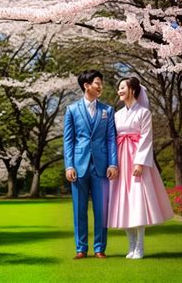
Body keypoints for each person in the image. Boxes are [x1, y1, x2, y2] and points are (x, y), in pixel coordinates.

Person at [108, 77, 174, 259]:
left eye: (122, 87)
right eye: (118, 88)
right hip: (120, 160)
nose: (119, 91)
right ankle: (130, 245)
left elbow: (146, 138)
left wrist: (139, 162)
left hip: (136, 160)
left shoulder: (144, 113)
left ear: (132, 90)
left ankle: (140, 246)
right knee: (122, 202)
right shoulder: (117, 114)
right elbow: (112, 139)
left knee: (137, 201)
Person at [64, 70, 118, 259]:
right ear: (86, 86)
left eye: (101, 83)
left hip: (102, 166)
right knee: (79, 209)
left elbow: (112, 138)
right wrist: (69, 166)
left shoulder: (108, 110)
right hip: (78, 167)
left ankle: (99, 248)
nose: (100, 86)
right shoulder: (71, 110)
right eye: (97, 83)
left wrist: (113, 164)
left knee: (101, 210)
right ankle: (81, 248)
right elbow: (68, 140)